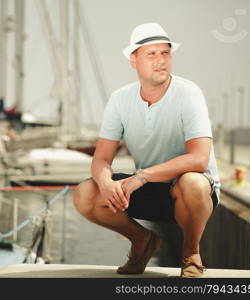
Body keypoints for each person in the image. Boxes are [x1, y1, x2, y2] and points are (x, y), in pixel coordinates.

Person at [72, 23, 220, 278]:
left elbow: (199, 158)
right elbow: (102, 158)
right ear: (134, 60)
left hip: (190, 192)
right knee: (86, 193)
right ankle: (143, 241)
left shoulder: (188, 93)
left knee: (193, 182)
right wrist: (106, 183)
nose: (160, 61)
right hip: (149, 189)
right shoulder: (120, 99)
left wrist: (140, 177)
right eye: (151, 54)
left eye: (165, 53)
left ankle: (191, 254)